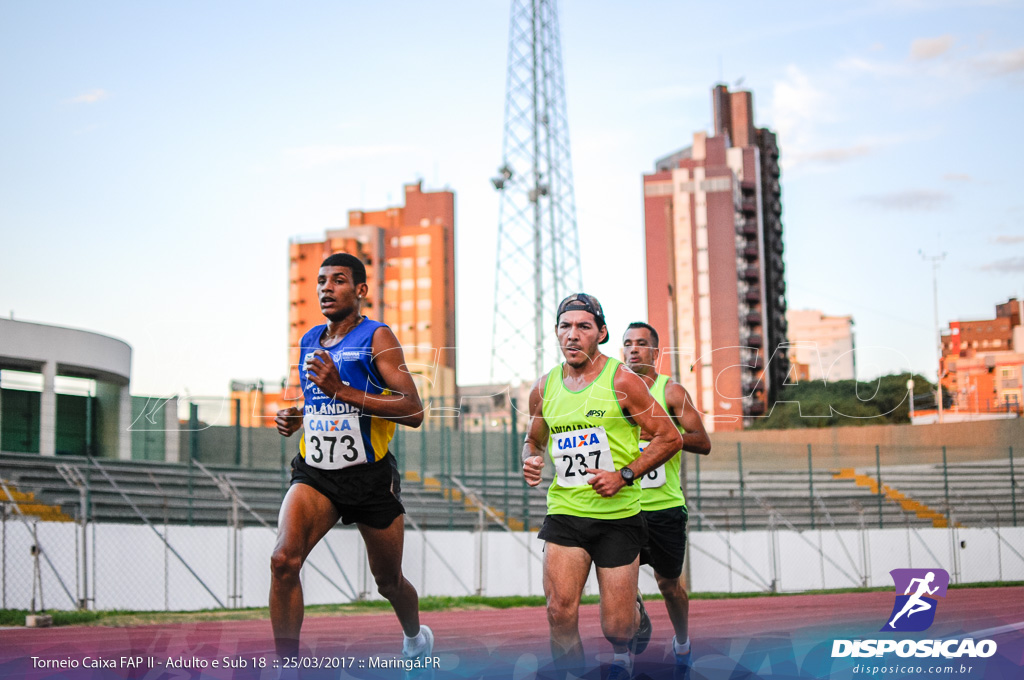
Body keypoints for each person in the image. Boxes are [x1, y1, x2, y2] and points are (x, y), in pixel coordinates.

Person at [271, 252, 433, 663]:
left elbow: (413, 409)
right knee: (283, 561)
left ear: (360, 290)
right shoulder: (310, 340)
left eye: (338, 280)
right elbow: (320, 400)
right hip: (316, 473)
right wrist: (297, 414)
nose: (326, 288)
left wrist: (342, 390)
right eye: (322, 281)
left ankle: (415, 638)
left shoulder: (377, 336)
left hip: (369, 477)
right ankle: (288, 667)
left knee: (388, 581)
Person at [523, 294, 684, 680]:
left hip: (618, 517)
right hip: (565, 511)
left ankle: (632, 617)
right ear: (556, 333)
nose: (572, 335)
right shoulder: (544, 388)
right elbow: (534, 438)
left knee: (617, 629)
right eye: (565, 326)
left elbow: (669, 437)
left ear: (602, 333)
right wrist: (530, 458)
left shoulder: (623, 381)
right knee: (559, 610)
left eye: (583, 327)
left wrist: (624, 475)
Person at [622, 322, 711, 675]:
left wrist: (665, 435)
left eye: (641, 344)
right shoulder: (613, 393)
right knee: (619, 581)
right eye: (627, 344)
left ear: (655, 353)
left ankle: (683, 642)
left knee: (669, 585)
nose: (633, 350)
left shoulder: (671, 391)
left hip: (664, 507)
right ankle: (624, 653)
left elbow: (702, 441)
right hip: (625, 505)